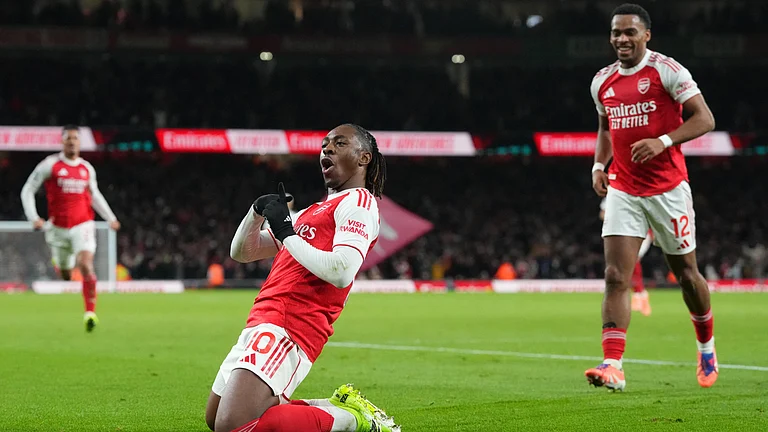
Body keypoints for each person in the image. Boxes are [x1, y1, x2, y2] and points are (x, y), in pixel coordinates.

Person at [206, 124, 399, 432]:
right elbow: (242, 252)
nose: (327, 149)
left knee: (233, 425)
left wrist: (286, 233)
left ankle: (352, 420)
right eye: (324, 144)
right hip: (262, 317)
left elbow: (342, 271)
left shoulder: (360, 203)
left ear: (363, 158)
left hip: (292, 323)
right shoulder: (314, 210)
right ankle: (337, 408)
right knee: (215, 417)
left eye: (339, 143)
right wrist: (256, 213)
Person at [586, 3, 718, 391]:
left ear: (646, 35)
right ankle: (613, 365)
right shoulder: (602, 81)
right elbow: (605, 128)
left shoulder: (668, 71)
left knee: (686, 275)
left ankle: (706, 346)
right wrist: (598, 166)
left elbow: (705, 118)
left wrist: (663, 141)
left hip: (668, 189)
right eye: (616, 33)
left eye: (629, 32)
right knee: (614, 276)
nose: (621, 39)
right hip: (624, 189)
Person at [20, 125, 121, 332]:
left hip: (82, 225)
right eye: (68, 139)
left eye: (76, 139)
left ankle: (90, 313)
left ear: (80, 143)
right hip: (57, 229)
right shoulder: (50, 165)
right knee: (66, 275)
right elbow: (28, 190)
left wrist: (110, 218)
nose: (72, 142)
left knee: (86, 265)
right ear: (62, 142)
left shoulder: (86, 168)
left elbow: (94, 195)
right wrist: (34, 218)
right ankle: (60, 262)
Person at [600, 198, 652, 316]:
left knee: (633, 260)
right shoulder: (609, 197)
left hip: (641, 232)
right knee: (627, 262)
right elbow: (602, 214)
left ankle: (640, 293)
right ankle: (639, 293)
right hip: (622, 233)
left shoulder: (632, 193)